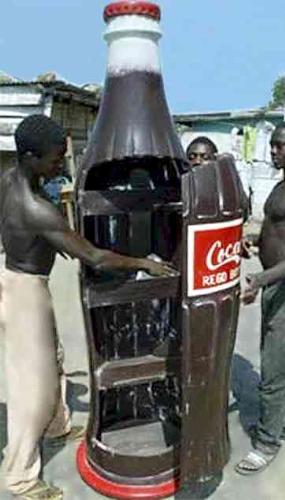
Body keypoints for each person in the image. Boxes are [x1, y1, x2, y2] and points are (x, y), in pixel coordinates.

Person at [0, 115, 173, 499]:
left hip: (17, 277)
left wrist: (36, 244)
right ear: (30, 156)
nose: (60, 164)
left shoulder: (8, 180)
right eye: (54, 158)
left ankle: (57, 425)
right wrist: (143, 262)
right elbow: (95, 257)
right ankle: (20, 476)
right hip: (25, 291)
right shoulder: (36, 208)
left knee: (54, 360)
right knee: (31, 388)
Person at [235, 122, 285, 475]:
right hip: (275, 283)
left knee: (276, 367)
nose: (273, 151)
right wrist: (252, 239)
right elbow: (275, 229)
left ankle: (266, 443)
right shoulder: (282, 186)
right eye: (272, 145)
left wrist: (257, 278)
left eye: (281, 146)